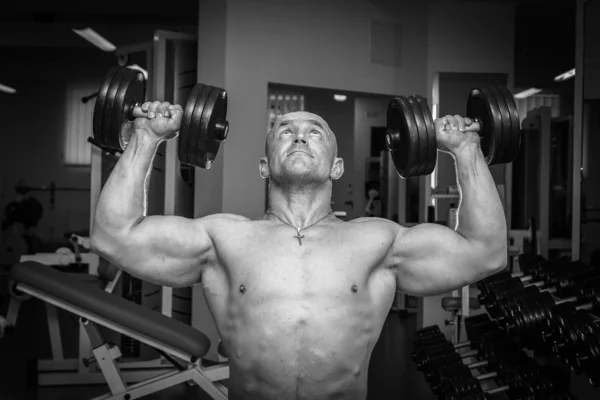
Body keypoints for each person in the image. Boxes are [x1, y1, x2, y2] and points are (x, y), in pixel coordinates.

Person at [91, 100, 508, 400]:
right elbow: (114, 237)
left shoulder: (380, 241)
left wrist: (467, 150)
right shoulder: (223, 239)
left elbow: (486, 252)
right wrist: (145, 138)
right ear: (264, 165)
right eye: (284, 131)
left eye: (315, 132)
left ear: (337, 167)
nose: (300, 136)